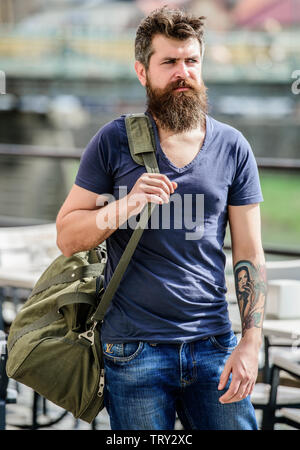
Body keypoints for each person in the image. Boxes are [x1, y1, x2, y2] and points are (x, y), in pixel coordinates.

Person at [56, 7, 267, 430]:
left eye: (191, 61)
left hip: (212, 346)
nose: (182, 72)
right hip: (133, 350)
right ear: (142, 71)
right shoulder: (113, 141)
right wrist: (126, 204)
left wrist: (250, 342)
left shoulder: (233, 146)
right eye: (169, 62)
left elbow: (249, 253)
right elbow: (66, 236)